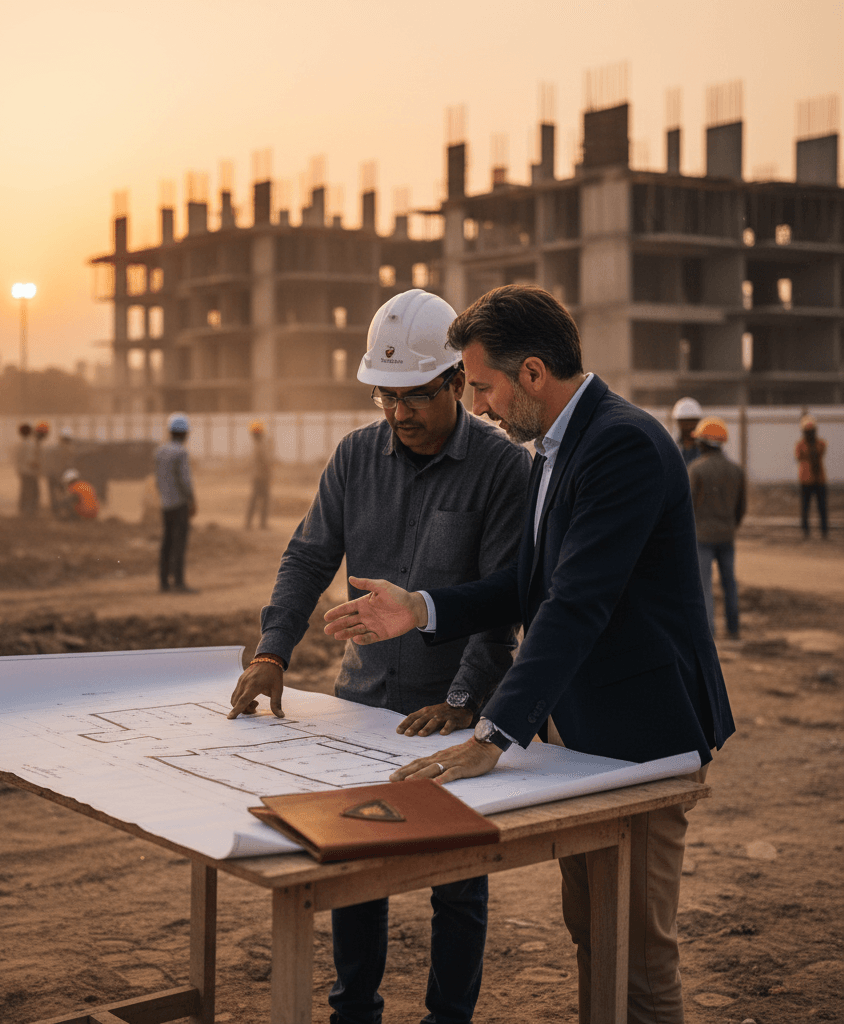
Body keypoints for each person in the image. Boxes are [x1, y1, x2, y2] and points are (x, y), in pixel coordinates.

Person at [324, 284, 735, 1024]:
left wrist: (493, 730)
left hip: (646, 740)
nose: (478, 405)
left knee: (637, 958)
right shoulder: (554, 447)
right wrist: (420, 608)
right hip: (587, 741)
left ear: (534, 374)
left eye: (482, 386)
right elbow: (526, 588)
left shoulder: (622, 445)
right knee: (593, 935)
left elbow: (575, 605)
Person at [228, 288, 531, 1024]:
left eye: (417, 396)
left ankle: (447, 1017)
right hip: (359, 705)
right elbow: (306, 559)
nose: (399, 414)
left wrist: (461, 705)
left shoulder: (500, 470)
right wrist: (273, 652)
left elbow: (500, 606)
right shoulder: (356, 458)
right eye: (384, 396)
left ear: (459, 382)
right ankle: (353, 1012)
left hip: (451, 715)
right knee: (354, 864)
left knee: (456, 881)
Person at [689, 417, 746, 639]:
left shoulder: (696, 469)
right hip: (727, 535)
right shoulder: (736, 470)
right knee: (729, 584)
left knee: (705, 588)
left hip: (702, 536)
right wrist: (731, 525)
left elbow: (689, 505)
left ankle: (709, 633)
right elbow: (741, 507)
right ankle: (734, 629)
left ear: (704, 442)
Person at [155, 413, 197, 593]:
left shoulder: (160, 451)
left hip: (165, 504)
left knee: (167, 542)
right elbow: (185, 480)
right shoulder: (181, 452)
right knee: (179, 542)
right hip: (179, 503)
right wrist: (192, 499)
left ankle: (164, 582)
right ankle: (178, 582)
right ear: (183, 433)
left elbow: (157, 480)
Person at [795, 415, 829, 540]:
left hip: (819, 479)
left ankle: (824, 531)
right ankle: (805, 531)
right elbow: (799, 456)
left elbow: (822, 450)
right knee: (805, 507)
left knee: (822, 507)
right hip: (806, 480)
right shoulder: (800, 445)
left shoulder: (820, 443)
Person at [244, 420, 272, 529]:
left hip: (256, 477)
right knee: (263, 500)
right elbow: (266, 462)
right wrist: (269, 473)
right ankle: (262, 524)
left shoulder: (256, 445)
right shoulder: (261, 446)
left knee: (254, 499)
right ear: (260, 433)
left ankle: (248, 523)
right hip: (262, 477)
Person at [43, 427, 77, 515]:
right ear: (69, 439)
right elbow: (70, 465)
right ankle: (62, 509)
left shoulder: (53, 448)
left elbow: (47, 459)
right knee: (63, 493)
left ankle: (54, 510)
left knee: (52, 493)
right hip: (62, 475)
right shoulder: (71, 450)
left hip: (51, 474)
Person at [14, 423, 40, 516]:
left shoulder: (19, 444)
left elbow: (17, 459)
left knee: (24, 491)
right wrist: (38, 468)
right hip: (30, 472)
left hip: (22, 471)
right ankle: (30, 511)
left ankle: (22, 509)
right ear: (30, 432)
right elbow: (31, 461)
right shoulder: (30, 444)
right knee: (33, 492)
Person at [671, 396, 703, 465]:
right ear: (678, 423)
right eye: (685, 422)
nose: (689, 426)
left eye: (692, 422)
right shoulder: (671, 448)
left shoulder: (706, 450)